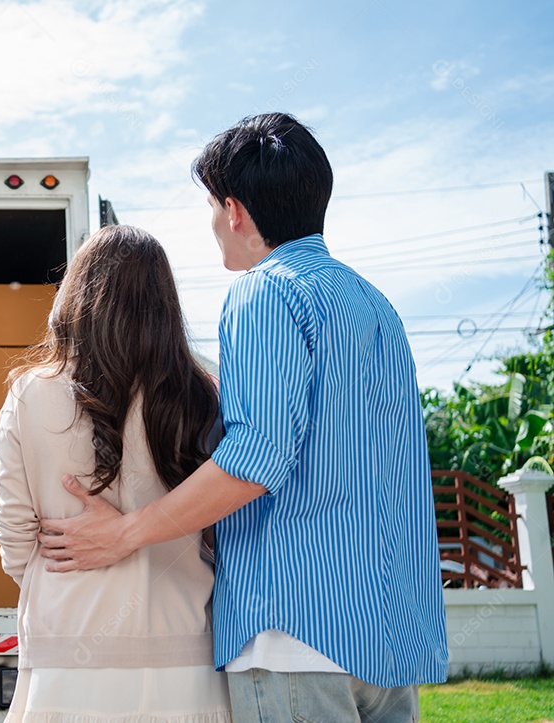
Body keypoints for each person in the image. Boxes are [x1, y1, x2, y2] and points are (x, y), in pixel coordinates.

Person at [36, 113, 448, 721]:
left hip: (295, 632)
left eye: (209, 206)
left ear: (234, 210)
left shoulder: (265, 292)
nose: (211, 225)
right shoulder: (374, 305)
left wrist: (126, 531)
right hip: (389, 635)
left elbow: (255, 460)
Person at [0, 225, 232, 722]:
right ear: (166, 304)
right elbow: (222, 518)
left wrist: (62, 581)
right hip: (187, 660)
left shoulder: (29, 393)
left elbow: (15, 541)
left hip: (68, 661)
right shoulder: (203, 396)